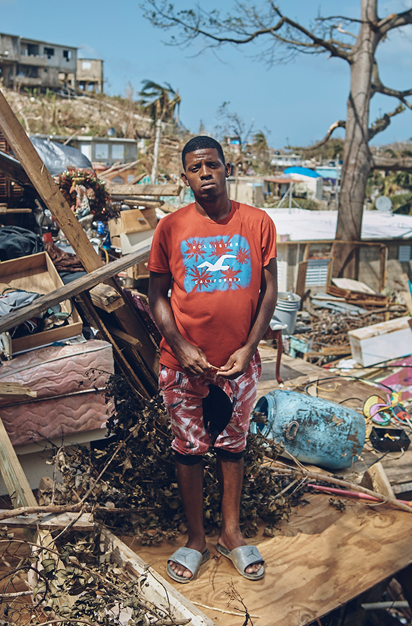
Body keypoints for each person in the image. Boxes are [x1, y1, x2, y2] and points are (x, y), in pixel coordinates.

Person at [147, 135, 278, 584]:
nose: (205, 174)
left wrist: (249, 347)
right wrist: (181, 347)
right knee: (189, 450)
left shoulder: (258, 223)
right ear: (184, 177)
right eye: (195, 168)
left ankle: (231, 533)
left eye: (212, 165)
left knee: (233, 445)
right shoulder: (170, 227)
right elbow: (156, 297)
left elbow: (270, 291)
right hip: (182, 366)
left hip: (238, 364)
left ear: (227, 168)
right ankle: (196, 538)